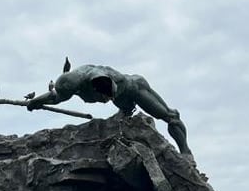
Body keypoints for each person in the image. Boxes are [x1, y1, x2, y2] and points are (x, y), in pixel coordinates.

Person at [26, 59, 191, 156]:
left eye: (107, 98)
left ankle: (186, 153)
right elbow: (55, 98)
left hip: (135, 89)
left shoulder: (104, 78)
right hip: (121, 103)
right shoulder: (70, 82)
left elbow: (107, 84)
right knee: (120, 129)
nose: (104, 102)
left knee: (169, 116)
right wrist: (36, 102)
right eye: (103, 98)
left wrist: (111, 94)